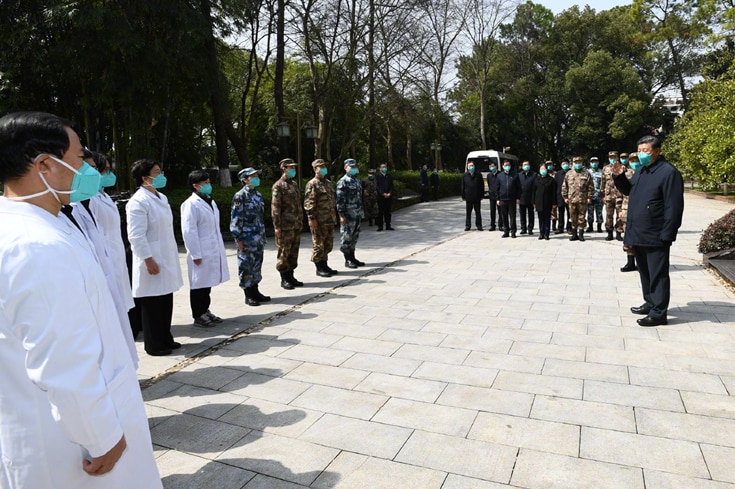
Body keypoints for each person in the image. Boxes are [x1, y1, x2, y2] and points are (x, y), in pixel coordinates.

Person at [0, 111, 162, 488]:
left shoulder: (43, 223)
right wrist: (101, 437)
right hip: (73, 445)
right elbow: (62, 359)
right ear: (44, 165)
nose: (84, 170)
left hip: (65, 419)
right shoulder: (36, 245)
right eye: (76, 161)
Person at [68, 150, 138, 367]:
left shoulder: (96, 198)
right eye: (102, 170)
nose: (104, 174)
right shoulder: (76, 205)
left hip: (114, 262)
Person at [613, 135, 684, 327]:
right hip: (638, 231)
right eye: (639, 151)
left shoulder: (668, 173)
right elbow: (630, 191)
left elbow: (674, 206)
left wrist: (668, 233)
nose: (641, 154)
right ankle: (650, 302)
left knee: (658, 274)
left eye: (646, 151)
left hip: (656, 233)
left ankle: (659, 313)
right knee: (644, 271)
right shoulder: (641, 170)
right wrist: (619, 177)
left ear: (657, 151)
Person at [126, 159, 184, 356]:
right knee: (152, 304)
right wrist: (147, 259)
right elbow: (135, 235)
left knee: (166, 299)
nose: (161, 175)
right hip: (151, 259)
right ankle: (153, 344)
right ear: (145, 178)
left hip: (165, 256)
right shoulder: (138, 202)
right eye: (157, 172)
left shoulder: (161, 197)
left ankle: (165, 337)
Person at [88, 151, 139, 353]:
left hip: (116, 258)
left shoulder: (102, 196)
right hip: (105, 262)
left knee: (122, 314)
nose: (109, 174)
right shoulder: (89, 200)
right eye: (105, 170)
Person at [180, 169, 230, 327]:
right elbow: (189, 231)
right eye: (205, 183)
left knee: (207, 283)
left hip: (212, 249)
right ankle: (198, 315)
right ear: (195, 185)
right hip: (200, 251)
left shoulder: (209, 201)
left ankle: (205, 310)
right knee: (198, 284)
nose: (209, 185)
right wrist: (195, 253)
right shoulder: (190, 204)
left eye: (209, 182)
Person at [231, 167, 270, 306]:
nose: (256, 178)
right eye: (252, 176)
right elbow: (236, 219)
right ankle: (248, 294)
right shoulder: (240, 196)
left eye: (256, 175)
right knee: (246, 266)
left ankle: (256, 291)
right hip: (246, 238)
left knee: (256, 265)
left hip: (258, 237)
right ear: (244, 180)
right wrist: (238, 239)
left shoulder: (257, 195)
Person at [272, 158, 304, 290]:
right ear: (284, 169)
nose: (293, 170)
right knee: (284, 252)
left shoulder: (294, 184)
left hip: (295, 224)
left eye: (294, 168)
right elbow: (275, 208)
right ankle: (284, 278)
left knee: (293, 252)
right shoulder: (278, 186)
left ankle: (291, 276)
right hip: (285, 226)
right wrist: (277, 226)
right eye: (290, 168)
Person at [304, 159, 339, 277]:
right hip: (319, 220)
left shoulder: (328, 183)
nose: (324, 168)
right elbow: (309, 203)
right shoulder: (312, 184)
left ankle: (325, 264)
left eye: (324, 166)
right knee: (318, 244)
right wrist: (311, 218)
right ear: (315, 169)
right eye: (321, 167)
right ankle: (319, 267)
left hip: (329, 219)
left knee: (328, 244)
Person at [336, 158, 365, 268]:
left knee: (354, 236)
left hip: (357, 213)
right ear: (345, 168)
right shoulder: (343, 181)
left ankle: (352, 257)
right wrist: (341, 215)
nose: (353, 169)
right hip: (348, 214)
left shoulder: (356, 180)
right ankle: (347, 259)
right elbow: (340, 200)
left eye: (354, 167)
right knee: (347, 237)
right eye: (351, 167)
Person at [562, 156, 594, 242]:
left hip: (582, 200)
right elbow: (565, 186)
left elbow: (590, 186)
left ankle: (581, 234)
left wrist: (589, 197)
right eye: (576, 162)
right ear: (573, 163)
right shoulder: (569, 173)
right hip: (571, 200)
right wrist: (565, 197)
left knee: (582, 217)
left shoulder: (586, 173)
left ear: (582, 163)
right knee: (573, 217)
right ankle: (574, 234)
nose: (577, 164)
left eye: (579, 162)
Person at [619, 153, 639, 272]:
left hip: (641, 210)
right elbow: (619, 194)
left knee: (641, 236)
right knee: (628, 236)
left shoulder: (645, 174)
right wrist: (620, 210)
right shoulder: (626, 174)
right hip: (627, 209)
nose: (634, 162)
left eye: (636, 160)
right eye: (632, 160)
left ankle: (641, 263)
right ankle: (630, 262)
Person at [601, 151, 622, 241]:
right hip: (608, 196)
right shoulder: (605, 169)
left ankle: (618, 233)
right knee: (609, 215)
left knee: (619, 215)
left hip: (619, 195)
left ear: (617, 157)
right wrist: (603, 195)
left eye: (614, 157)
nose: (612, 158)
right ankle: (609, 233)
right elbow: (603, 182)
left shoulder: (621, 167)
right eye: (611, 157)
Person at [496, 160, 520, 238]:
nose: (507, 166)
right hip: (503, 199)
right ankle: (506, 231)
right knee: (504, 216)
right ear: (503, 166)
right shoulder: (499, 176)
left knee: (512, 216)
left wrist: (518, 197)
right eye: (506, 165)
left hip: (512, 199)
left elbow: (518, 187)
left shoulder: (515, 175)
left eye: (508, 165)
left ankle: (513, 231)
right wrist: (498, 199)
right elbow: (497, 188)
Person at [534, 163, 556, 240]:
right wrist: (533, 202)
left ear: (547, 170)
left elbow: (554, 193)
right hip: (539, 202)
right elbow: (534, 192)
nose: (543, 170)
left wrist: (554, 203)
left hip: (548, 202)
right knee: (541, 219)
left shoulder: (551, 180)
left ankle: (547, 233)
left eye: (544, 169)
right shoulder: (537, 180)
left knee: (547, 218)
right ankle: (541, 233)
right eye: (541, 169)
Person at [460, 160, 484, 231]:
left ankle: (479, 225)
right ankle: (468, 225)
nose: (471, 167)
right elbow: (463, 186)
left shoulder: (478, 175)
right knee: (468, 213)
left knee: (478, 212)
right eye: (470, 166)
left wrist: (482, 195)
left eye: (472, 166)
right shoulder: (465, 175)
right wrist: (463, 196)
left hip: (477, 197)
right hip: (468, 197)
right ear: (467, 167)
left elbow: (481, 186)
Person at [518, 161, 536, 235]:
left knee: (531, 214)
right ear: (522, 166)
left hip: (531, 198)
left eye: (527, 164)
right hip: (522, 198)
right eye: (524, 165)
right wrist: (517, 198)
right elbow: (517, 187)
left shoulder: (534, 175)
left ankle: (530, 228)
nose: (526, 166)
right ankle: (523, 228)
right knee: (522, 214)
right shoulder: (519, 175)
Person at [586, 156, 604, 233]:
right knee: (590, 211)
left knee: (599, 212)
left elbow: (603, 183)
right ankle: (590, 226)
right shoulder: (587, 172)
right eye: (592, 162)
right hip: (590, 195)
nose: (594, 163)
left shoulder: (601, 172)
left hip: (599, 195)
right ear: (590, 163)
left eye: (596, 162)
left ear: (598, 163)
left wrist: (603, 195)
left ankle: (599, 227)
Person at [375, 162, 394, 231]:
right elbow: (377, 186)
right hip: (381, 197)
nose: (384, 168)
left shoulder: (389, 176)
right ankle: (380, 226)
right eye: (382, 167)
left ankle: (388, 225)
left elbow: (392, 186)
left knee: (388, 211)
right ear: (380, 169)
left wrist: (389, 193)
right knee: (380, 211)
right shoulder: (377, 177)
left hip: (389, 196)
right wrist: (383, 194)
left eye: (385, 167)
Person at [555, 159, 571, 234]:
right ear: (561, 165)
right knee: (560, 213)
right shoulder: (558, 174)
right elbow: (555, 185)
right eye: (563, 164)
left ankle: (569, 228)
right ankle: (560, 228)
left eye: (566, 163)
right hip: (560, 196)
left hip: (570, 196)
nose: (565, 165)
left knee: (570, 213)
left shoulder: (572, 172)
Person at [485, 162, 500, 231]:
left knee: (500, 211)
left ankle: (501, 225)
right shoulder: (489, 175)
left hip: (499, 195)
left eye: (493, 166)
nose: (492, 167)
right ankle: (492, 225)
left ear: (496, 166)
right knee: (492, 211)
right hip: (491, 196)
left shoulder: (500, 174)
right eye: (490, 166)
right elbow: (489, 184)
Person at [546, 161, 558, 232]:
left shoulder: (556, 174)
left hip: (554, 194)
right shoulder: (543, 173)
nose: (549, 166)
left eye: (551, 165)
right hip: (546, 195)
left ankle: (554, 225)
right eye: (548, 165)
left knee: (554, 211)